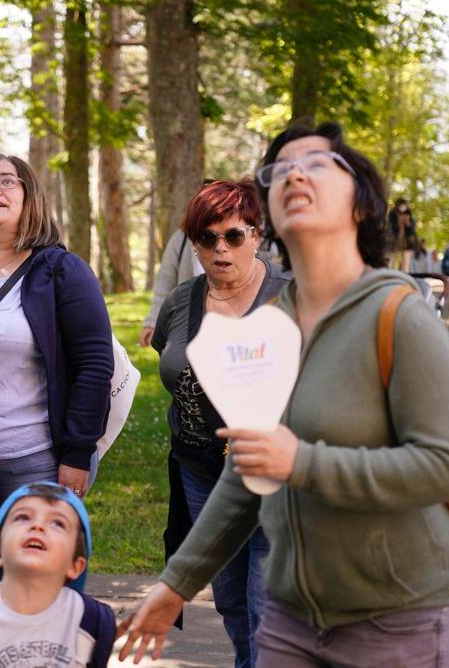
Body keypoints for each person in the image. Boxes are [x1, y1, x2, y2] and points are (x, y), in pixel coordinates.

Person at [118, 122, 449, 666]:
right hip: (290, 617)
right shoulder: (270, 328)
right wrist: (175, 586)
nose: (295, 174)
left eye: (318, 164)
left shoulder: (398, 314)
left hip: (395, 616)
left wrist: (301, 461)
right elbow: (249, 468)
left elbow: (446, 468)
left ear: (361, 204)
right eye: (280, 169)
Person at [0, 154, 114, 586]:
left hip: (33, 458)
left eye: (7, 182)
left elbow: (95, 363)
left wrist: (76, 453)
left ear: (30, 198)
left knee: (46, 582)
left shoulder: (59, 270)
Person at [152, 179, 288, 668]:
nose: (220, 249)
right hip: (201, 471)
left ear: (256, 236)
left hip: (272, 477)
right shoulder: (183, 300)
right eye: (207, 239)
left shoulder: (288, 299)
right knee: (230, 598)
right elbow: (169, 355)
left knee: (263, 604)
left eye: (233, 235)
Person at [0, 482, 116, 667]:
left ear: (75, 565)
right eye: (23, 518)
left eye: (57, 523)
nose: (37, 526)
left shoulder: (91, 622)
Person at [139, 229, 205, 348]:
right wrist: (152, 322)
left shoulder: (236, 235)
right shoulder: (181, 238)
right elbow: (165, 283)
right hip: (187, 325)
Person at [387, 198, 417, 272]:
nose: (402, 207)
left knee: (406, 263)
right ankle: (389, 277)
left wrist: (408, 224)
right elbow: (390, 228)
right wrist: (398, 222)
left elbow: (412, 230)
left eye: (404, 205)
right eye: (401, 205)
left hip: (407, 242)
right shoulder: (392, 214)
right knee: (391, 261)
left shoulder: (409, 214)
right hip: (394, 242)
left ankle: (405, 278)